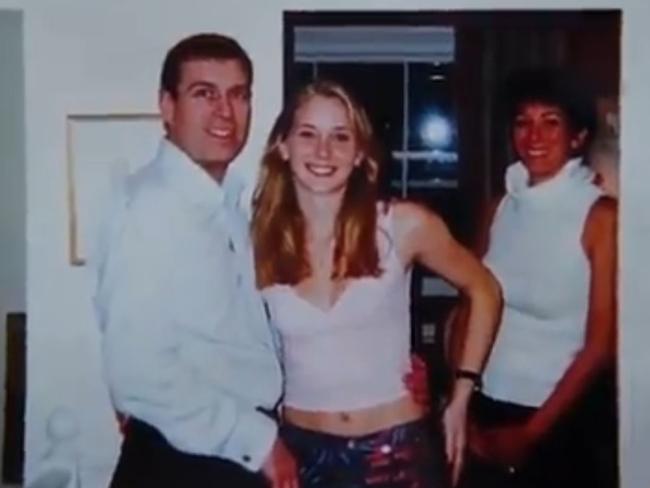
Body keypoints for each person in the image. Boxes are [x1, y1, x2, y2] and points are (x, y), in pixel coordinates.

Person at [251, 79, 502, 487]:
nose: (323, 151)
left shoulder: (402, 225)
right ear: (283, 146)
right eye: (308, 134)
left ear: (359, 154)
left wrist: (460, 396)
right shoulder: (257, 241)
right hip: (299, 456)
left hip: (398, 454)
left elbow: (485, 290)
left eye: (340, 137)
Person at [92, 33, 298, 488]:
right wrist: (258, 440)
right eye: (204, 93)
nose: (225, 111)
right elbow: (137, 371)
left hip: (222, 453)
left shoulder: (228, 206)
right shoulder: (151, 207)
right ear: (167, 106)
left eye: (238, 95)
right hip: (189, 460)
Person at [451, 67, 618, 488]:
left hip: (562, 421)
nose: (534, 135)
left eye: (551, 122)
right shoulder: (499, 209)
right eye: (523, 122)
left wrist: (530, 434)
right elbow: (469, 308)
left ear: (578, 137)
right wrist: (460, 405)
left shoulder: (601, 217)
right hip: (486, 411)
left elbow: (600, 345)